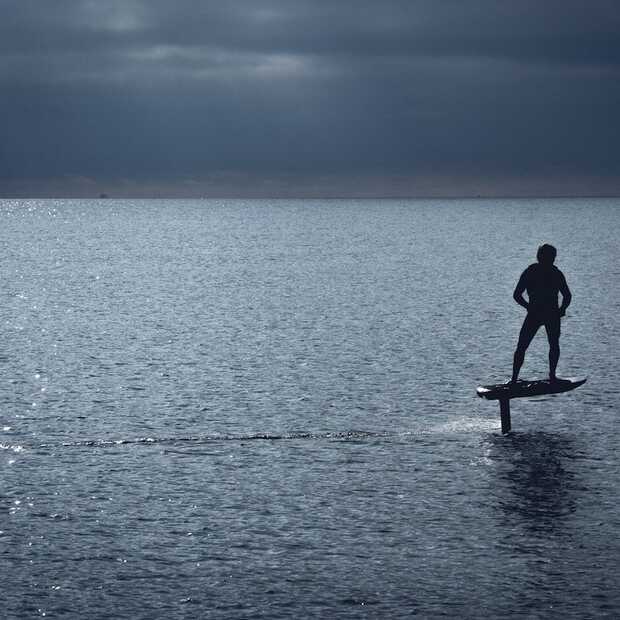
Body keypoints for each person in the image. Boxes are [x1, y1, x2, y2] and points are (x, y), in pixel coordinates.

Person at [511, 243, 572, 384]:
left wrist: (562, 309)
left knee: (552, 344)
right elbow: (516, 295)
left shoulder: (556, 273)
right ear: (540, 257)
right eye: (549, 257)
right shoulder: (531, 271)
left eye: (552, 257)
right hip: (537, 314)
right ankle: (514, 378)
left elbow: (567, 296)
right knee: (522, 346)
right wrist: (528, 307)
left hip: (549, 314)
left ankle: (551, 376)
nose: (551, 260)